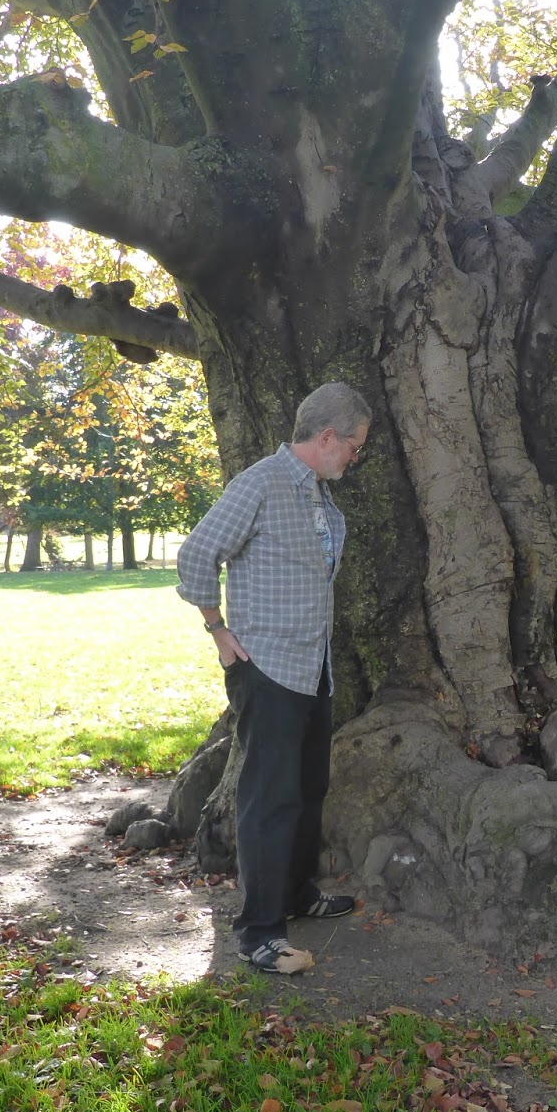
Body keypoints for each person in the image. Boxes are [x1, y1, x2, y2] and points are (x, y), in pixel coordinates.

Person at [176, 381, 371, 974]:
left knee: (309, 788)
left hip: (314, 668)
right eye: (355, 446)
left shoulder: (317, 494)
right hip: (266, 668)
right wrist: (217, 628)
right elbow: (197, 553)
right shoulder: (260, 483)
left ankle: (295, 893)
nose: (356, 457)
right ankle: (258, 931)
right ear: (328, 436)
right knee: (269, 800)